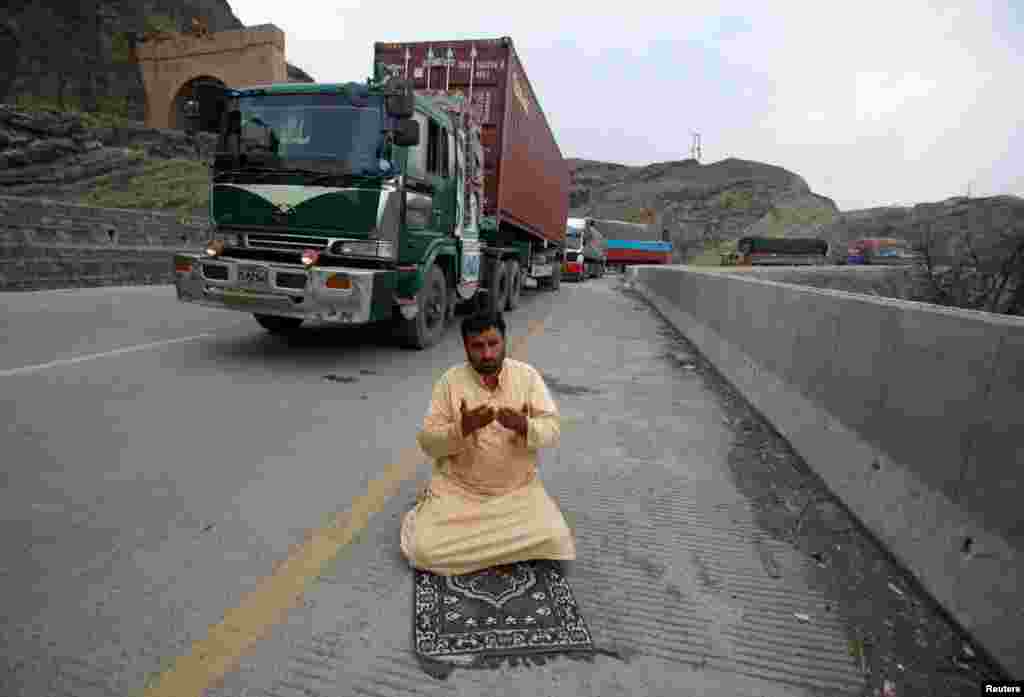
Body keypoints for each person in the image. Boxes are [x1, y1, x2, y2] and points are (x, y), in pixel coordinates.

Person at [400, 311, 576, 576]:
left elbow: (552, 428)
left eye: (493, 344)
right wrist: (463, 428)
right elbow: (427, 442)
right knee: (422, 551)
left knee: (556, 541)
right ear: (466, 347)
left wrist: (524, 426)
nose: (487, 354)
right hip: (459, 491)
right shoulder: (450, 382)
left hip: (516, 492)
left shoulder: (527, 377)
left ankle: (472, 550)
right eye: (477, 346)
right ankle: (504, 548)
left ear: (504, 340)